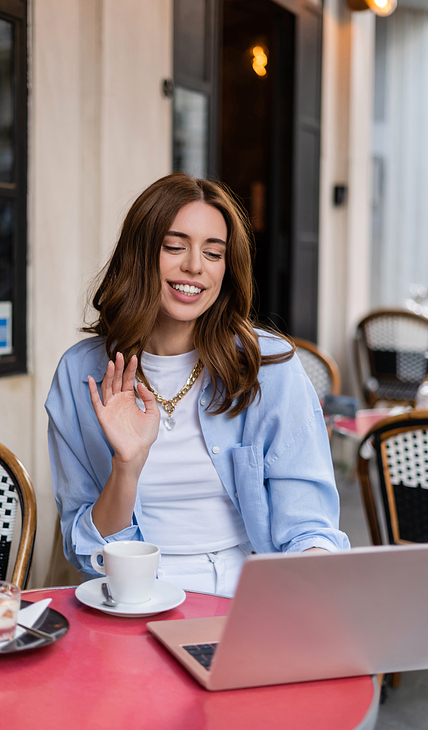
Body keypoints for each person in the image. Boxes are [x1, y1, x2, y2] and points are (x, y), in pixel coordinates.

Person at [45, 172, 350, 596]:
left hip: (246, 589)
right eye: (174, 246)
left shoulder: (268, 367)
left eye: (213, 252)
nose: (194, 266)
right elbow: (85, 550)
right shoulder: (82, 375)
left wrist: (312, 589)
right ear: (140, 254)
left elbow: (308, 525)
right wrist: (126, 467)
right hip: (129, 592)